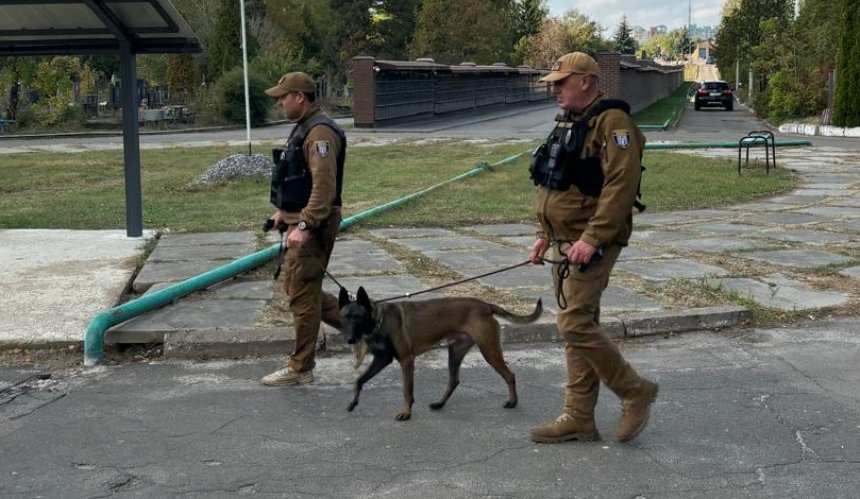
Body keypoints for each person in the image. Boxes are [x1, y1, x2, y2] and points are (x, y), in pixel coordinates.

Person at [527, 52, 658, 443]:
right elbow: (554, 182)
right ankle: (579, 417)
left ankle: (635, 390)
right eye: (553, 83)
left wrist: (591, 238)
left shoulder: (614, 124)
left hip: (591, 241)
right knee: (577, 327)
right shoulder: (571, 123)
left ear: (585, 81)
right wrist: (544, 234)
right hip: (564, 240)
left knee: (574, 323)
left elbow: (620, 187)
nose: (555, 89)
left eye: (561, 82)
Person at [260, 72, 346, 386]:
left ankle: (301, 367)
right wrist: (285, 213)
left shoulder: (320, 133)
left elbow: (324, 188)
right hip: (302, 219)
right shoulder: (305, 127)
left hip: (315, 224)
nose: (280, 101)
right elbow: (301, 179)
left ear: (300, 96)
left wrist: (305, 225)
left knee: (301, 292)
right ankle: (367, 329)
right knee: (300, 288)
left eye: (284, 96)